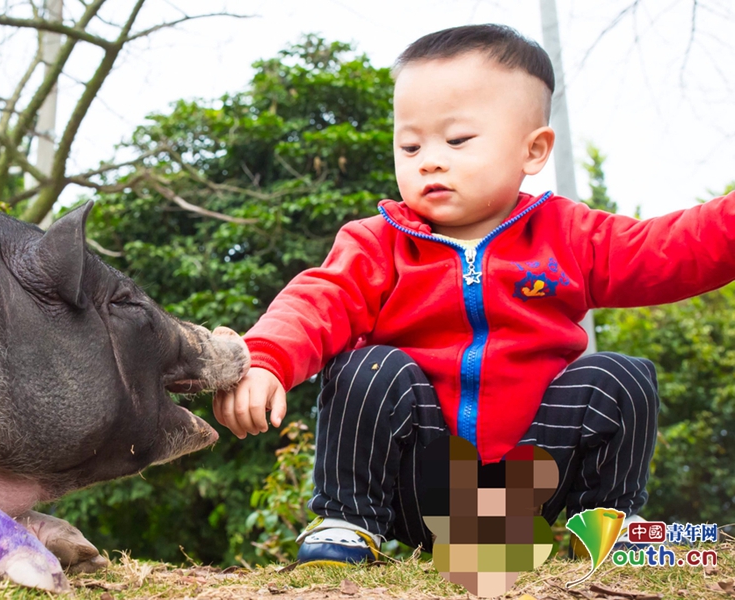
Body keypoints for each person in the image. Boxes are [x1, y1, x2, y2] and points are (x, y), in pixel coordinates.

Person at [213, 23, 735, 564]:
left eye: (457, 141)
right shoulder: (377, 242)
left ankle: (607, 525)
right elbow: (316, 300)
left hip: (529, 475)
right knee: (367, 366)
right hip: (418, 478)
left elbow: (668, 249)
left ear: (533, 150)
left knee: (621, 376)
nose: (429, 160)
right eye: (410, 144)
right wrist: (267, 361)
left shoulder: (566, 236)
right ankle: (347, 522)